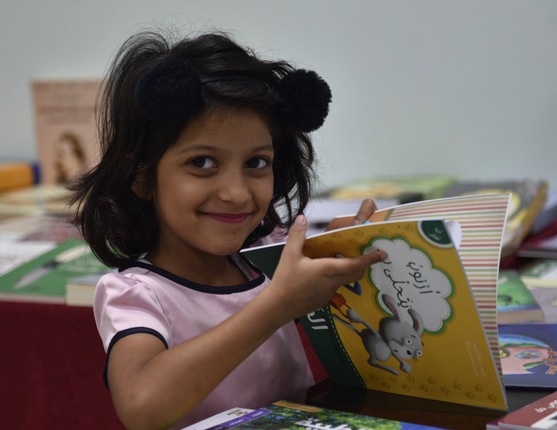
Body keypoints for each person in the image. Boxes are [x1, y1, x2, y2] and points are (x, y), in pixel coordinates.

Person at [70, 28, 386, 430]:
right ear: (142, 176)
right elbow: (141, 406)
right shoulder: (138, 294)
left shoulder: (268, 257)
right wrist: (278, 305)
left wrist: (349, 243)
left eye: (256, 163)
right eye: (202, 163)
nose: (236, 194)